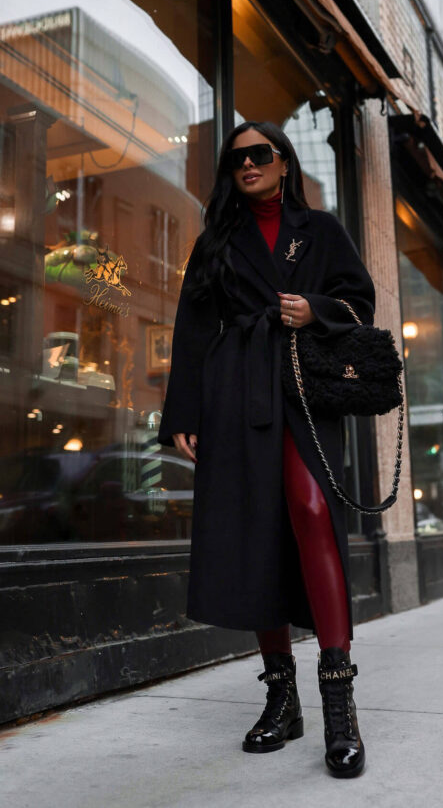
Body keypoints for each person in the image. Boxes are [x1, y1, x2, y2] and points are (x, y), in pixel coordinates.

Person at [158, 120, 376, 779]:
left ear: (283, 161)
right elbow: (193, 327)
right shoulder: (216, 241)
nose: (247, 165)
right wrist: (184, 413)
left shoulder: (323, 230)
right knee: (255, 531)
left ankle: (338, 698)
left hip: (302, 388)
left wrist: (314, 308)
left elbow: (358, 300)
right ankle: (282, 695)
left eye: (259, 154)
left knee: (312, 512)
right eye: (236, 160)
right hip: (236, 391)